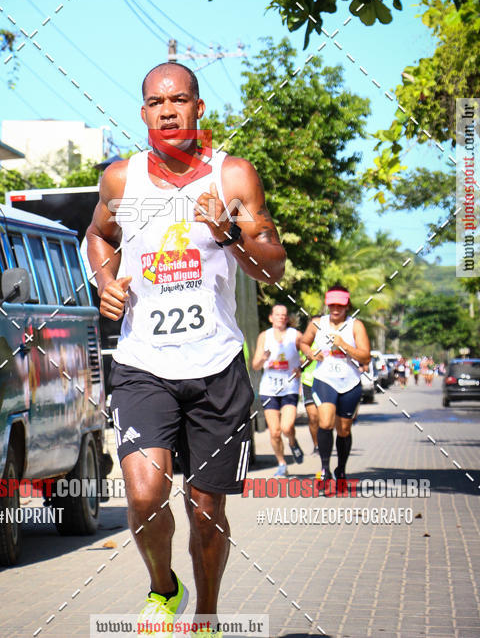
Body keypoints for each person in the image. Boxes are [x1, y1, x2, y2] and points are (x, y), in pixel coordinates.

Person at [86, 62, 286, 633]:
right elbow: (98, 235)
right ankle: (163, 587)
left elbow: (271, 267)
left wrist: (230, 233)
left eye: (179, 99)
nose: (168, 109)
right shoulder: (122, 180)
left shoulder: (233, 177)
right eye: (155, 102)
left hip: (217, 366)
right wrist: (107, 283)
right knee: (146, 495)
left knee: (206, 511)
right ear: (144, 113)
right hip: (143, 364)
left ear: (199, 107)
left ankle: (207, 615)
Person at [300, 285, 370, 483]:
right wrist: (310, 354)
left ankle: (341, 470)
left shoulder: (356, 326)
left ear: (347, 305)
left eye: (340, 305)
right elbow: (304, 343)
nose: (336, 309)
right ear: (327, 305)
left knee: (344, 430)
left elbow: (366, 356)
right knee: (325, 422)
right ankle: (324, 469)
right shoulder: (317, 323)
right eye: (332, 305)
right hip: (325, 380)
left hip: (350, 382)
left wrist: (345, 346)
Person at [252, 304, 304, 477]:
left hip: (289, 387)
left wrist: (301, 367)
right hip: (269, 388)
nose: (281, 317)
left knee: (287, 427)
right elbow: (255, 365)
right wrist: (263, 358)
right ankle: (282, 463)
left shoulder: (295, 335)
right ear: (271, 317)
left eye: (284, 314)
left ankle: (292, 441)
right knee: (274, 431)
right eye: (277, 314)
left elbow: (309, 354)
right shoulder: (264, 336)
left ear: (287, 318)